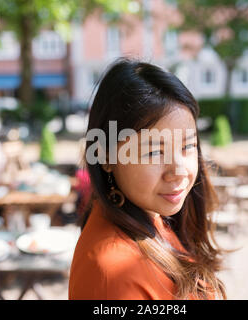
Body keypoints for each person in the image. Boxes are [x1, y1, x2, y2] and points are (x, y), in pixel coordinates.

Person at [68, 59, 226, 300]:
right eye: (153, 152)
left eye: (188, 146)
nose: (179, 170)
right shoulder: (114, 272)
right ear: (106, 156)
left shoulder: (156, 217)